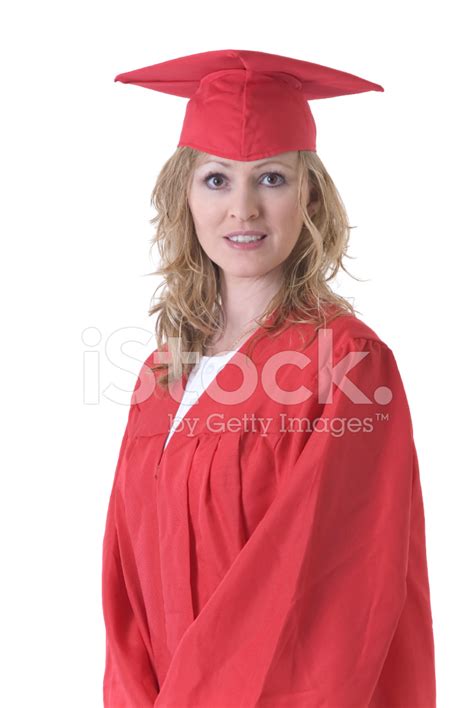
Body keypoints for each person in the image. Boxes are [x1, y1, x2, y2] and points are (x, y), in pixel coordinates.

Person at [101, 49, 436, 707]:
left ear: (311, 195)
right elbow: (127, 578)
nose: (244, 209)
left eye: (273, 180)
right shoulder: (161, 375)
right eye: (217, 180)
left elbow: (325, 593)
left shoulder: (348, 366)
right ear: (184, 196)